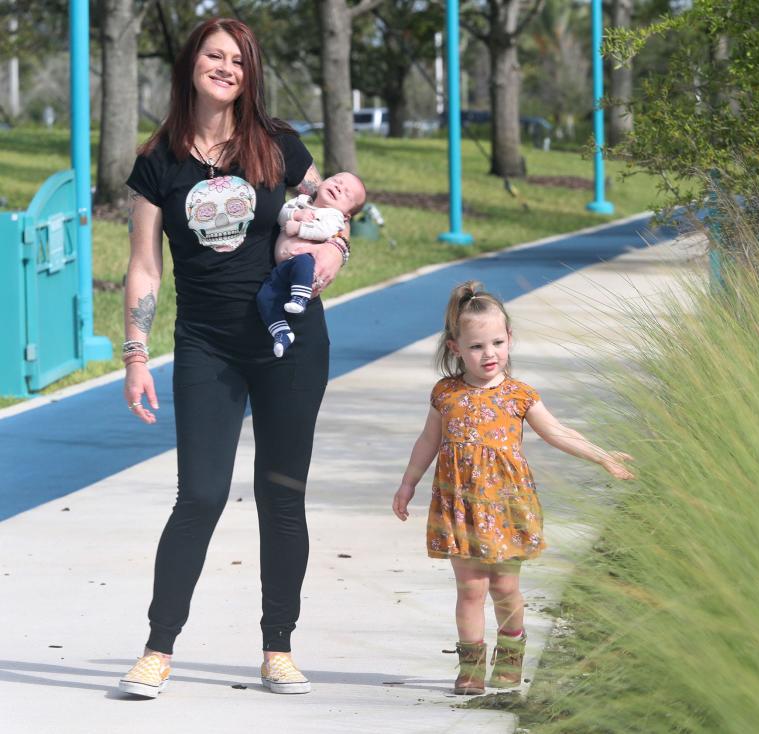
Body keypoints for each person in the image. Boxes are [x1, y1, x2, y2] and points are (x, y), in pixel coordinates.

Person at [118, 17, 349, 698]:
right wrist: (136, 356)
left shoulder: (277, 146)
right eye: (214, 56)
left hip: (290, 342)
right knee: (200, 494)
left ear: (250, 74)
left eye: (238, 61)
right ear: (192, 63)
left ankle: (278, 646)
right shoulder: (158, 161)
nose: (225, 68)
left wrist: (335, 250)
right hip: (207, 344)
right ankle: (159, 649)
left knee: (283, 496)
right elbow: (142, 268)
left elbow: (329, 216)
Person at [391, 281, 634, 696]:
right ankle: (470, 666)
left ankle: (510, 654)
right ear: (455, 348)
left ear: (510, 340)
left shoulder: (519, 395)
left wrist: (602, 455)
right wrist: (408, 482)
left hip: (506, 507)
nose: (489, 354)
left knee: (504, 587)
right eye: (477, 346)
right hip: (461, 506)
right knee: (470, 588)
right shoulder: (445, 394)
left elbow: (557, 432)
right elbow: (428, 441)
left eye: (498, 343)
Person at [258, 172, 365, 357]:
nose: (339, 187)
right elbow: (282, 214)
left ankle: (300, 297)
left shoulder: (333, 216)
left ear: (347, 215)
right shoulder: (301, 201)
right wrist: (297, 214)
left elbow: (325, 231)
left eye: (346, 193)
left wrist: (300, 228)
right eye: (336, 181)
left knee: (304, 261)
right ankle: (281, 333)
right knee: (265, 297)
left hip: (301, 262)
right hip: (282, 269)